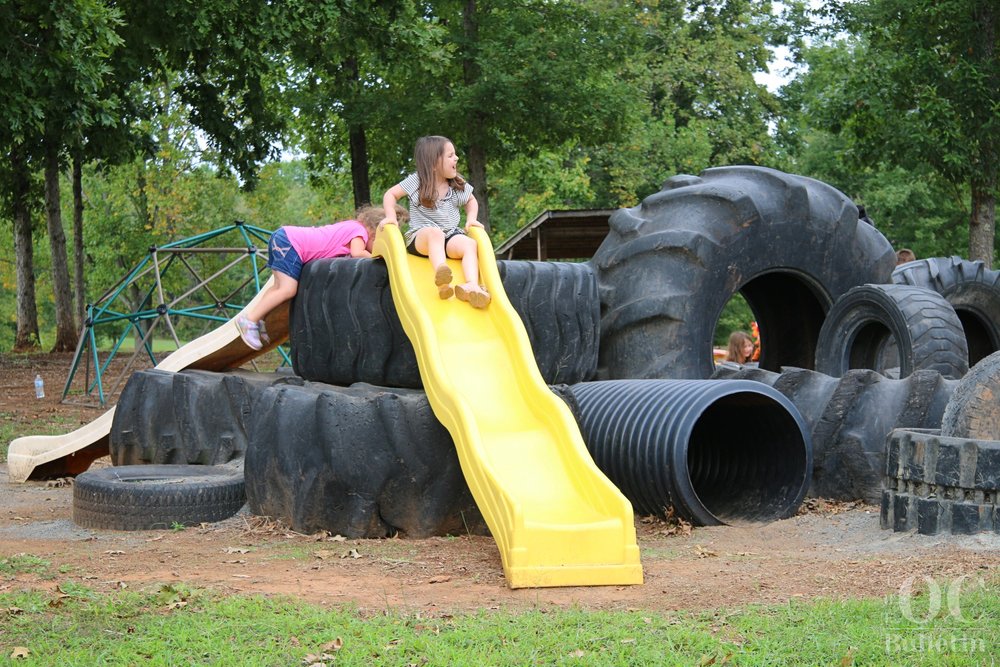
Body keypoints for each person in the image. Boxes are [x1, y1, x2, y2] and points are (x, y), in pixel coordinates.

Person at [236, 204, 407, 350]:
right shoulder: (359, 232)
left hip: (284, 237)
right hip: (291, 243)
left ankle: (257, 318)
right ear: (375, 232)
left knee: (278, 288)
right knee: (288, 289)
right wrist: (381, 257)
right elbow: (357, 253)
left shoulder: (351, 226)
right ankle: (248, 321)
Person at [380, 135, 491, 309]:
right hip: (421, 237)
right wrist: (390, 216)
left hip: (449, 235)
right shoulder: (417, 181)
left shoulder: (456, 184)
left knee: (469, 244)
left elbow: (471, 201)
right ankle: (442, 274)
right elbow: (390, 194)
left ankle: (471, 285)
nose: (456, 158)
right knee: (435, 233)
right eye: (450, 155)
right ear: (433, 164)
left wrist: (471, 219)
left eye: (455, 155)